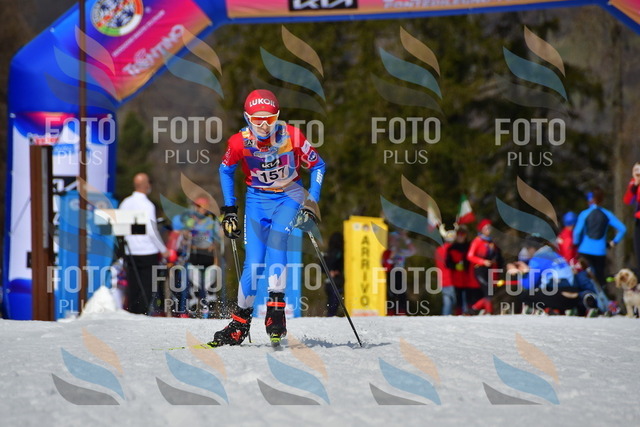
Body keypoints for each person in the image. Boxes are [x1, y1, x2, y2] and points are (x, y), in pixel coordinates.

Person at [209, 89, 325, 346]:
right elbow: (225, 170)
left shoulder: (292, 136)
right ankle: (239, 322)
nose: (264, 125)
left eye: (270, 119)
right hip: (257, 200)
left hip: (289, 196)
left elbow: (318, 165)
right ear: (247, 118)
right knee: (254, 263)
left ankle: (276, 311)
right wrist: (230, 209)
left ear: (278, 117)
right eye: (257, 119)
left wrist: (311, 202)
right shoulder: (239, 142)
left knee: (277, 241)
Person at [507, 234, 598, 315]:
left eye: (527, 249)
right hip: (574, 295)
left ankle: (548, 309)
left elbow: (529, 285)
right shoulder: (557, 255)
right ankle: (578, 304)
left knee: (525, 295)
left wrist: (521, 274)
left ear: (532, 248)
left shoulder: (537, 259)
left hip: (559, 295)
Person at [119, 173, 170, 315]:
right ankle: (143, 312)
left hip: (131, 250)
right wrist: (163, 249)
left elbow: (120, 226)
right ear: (147, 185)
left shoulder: (125, 203)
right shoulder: (147, 205)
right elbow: (152, 230)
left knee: (133, 285)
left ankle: (133, 312)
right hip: (147, 251)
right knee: (147, 286)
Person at [171, 196, 220, 317]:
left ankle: (209, 314)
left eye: (203, 206)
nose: (200, 209)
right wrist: (187, 230)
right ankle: (192, 313)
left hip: (208, 256)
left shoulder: (212, 221)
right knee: (194, 288)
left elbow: (218, 238)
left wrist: (216, 255)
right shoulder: (190, 220)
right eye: (198, 206)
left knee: (209, 288)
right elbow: (182, 235)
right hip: (194, 256)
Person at [573, 187, 626, 289]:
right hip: (600, 251)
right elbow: (623, 229)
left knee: (584, 278)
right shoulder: (607, 214)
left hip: (584, 250)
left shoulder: (584, 214)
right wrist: (613, 242)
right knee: (599, 280)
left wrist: (576, 244)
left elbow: (577, 232)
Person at [467, 219, 503, 314]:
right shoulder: (477, 241)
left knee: (490, 292)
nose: (489, 230)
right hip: (480, 269)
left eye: (490, 228)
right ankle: (486, 311)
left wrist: (493, 260)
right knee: (488, 291)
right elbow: (470, 256)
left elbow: (497, 256)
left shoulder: (491, 242)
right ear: (482, 229)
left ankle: (475, 310)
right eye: (486, 228)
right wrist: (483, 261)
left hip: (490, 269)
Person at [445, 225, 482, 314]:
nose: (460, 236)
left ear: (466, 235)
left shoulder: (470, 247)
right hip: (456, 278)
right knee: (459, 299)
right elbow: (447, 263)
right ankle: (459, 314)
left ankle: (470, 313)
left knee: (470, 298)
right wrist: (455, 266)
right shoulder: (451, 248)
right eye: (459, 234)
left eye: (463, 234)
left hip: (468, 277)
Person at [382, 229, 416, 315]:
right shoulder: (386, 252)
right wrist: (391, 256)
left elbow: (413, 251)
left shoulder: (401, 252)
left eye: (397, 240)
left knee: (402, 295)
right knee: (391, 295)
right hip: (390, 275)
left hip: (400, 274)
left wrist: (406, 239)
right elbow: (385, 266)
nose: (395, 242)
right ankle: (390, 313)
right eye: (393, 240)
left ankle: (402, 313)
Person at [623, 162, 640, 268]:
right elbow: (628, 200)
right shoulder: (633, 183)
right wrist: (635, 184)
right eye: (635, 170)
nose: (637, 172)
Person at [435, 228, 455, 315]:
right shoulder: (453, 249)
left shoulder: (439, 250)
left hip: (442, 281)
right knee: (460, 305)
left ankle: (445, 320)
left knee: (447, 304)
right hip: (454, 280)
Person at [324, 232, 344, 317]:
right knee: (334, 301)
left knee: (331, 301)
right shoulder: (340, 253)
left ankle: (331, 314)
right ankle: (332, 314)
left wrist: (328, 271)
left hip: (329, 281)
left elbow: (321, 266)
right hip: (337, 280)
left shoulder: (327, 253)